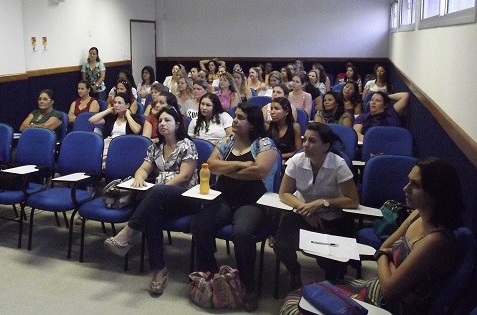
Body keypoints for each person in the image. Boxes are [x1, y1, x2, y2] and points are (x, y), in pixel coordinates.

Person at [191, 102, 280, 312]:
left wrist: (226, 169)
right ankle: (211, 272)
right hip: (225, 198)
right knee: (199, 224)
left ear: (252, 123)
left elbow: (259, 172)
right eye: (235, 116)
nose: (235, 120)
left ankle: (248, 286)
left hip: (253, 201)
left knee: (242, 233)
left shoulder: (265, 143)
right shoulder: (228, 141)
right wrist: (242, 165)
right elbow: (210, 165)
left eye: (240, 117)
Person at [104, 106, 200, 296]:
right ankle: (159, 270)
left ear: (177, 124)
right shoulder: (155, 147)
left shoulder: (187, 145)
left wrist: (159, 190)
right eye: (161, 121)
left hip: (186, 197)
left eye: (168, 121)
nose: (163, 124)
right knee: (152, 214)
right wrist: (139, 177)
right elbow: (143, 169)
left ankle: (126, 234)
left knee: (155, 195)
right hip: (159, 200)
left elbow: (184, 176)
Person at [358, 157, 463, 314]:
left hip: (392, 308)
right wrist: (385, 257)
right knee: (319, 291)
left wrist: (382, 256)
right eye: (408, 181)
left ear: (435, 193)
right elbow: (384, 247)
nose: (405, 189)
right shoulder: (417, 214)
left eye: (416, 185)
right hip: (378, 291)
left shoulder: (436, 240)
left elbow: (389, 289)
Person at [273, 122, 359, 288]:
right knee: (281, 244)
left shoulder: (338, 164)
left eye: (312, 141)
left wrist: (322, 203)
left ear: (326, 146)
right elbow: (284, 193)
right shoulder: (297, 161)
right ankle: (294, 271)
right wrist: (307, 211)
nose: (305, 144)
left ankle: (330, 286)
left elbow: (353, 200)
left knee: (327, 258)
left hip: (331, 217)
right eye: (305, 139)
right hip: (303, 212)